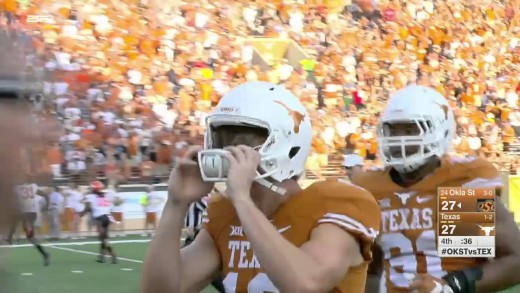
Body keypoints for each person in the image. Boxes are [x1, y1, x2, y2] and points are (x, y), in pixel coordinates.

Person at [142, 81, 381, 293]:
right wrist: (176, 204)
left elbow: (307, 283)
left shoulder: (336, 202)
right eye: (225, 138)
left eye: (245, 139)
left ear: (288, 142)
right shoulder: (226, 213)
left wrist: (242, 200)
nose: (231, 149)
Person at [353, 85, 520, 293]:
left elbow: (515, 260)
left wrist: (452, 286)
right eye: (393, 130)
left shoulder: (457, 182)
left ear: (442, 131)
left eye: (412, 129)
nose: (400, 139)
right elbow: (372, 269)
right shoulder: (373, 187)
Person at [7, 181, 50, 266]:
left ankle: (9, 238)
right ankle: (44, 254)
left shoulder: (16, 188)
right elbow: (46, 196)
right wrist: (46, 207)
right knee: (30, 237)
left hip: (25, 214)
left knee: (14, 220)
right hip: (31, 213)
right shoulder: (33, 186)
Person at [81, 181, 118, 264]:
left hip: (100, 219)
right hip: (108, 217)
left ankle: (113, 255)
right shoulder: (106, 195)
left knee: (104, 238)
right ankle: (101, 256)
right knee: (103, 237)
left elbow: (86, 206)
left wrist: (81, 213)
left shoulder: (90, 196)